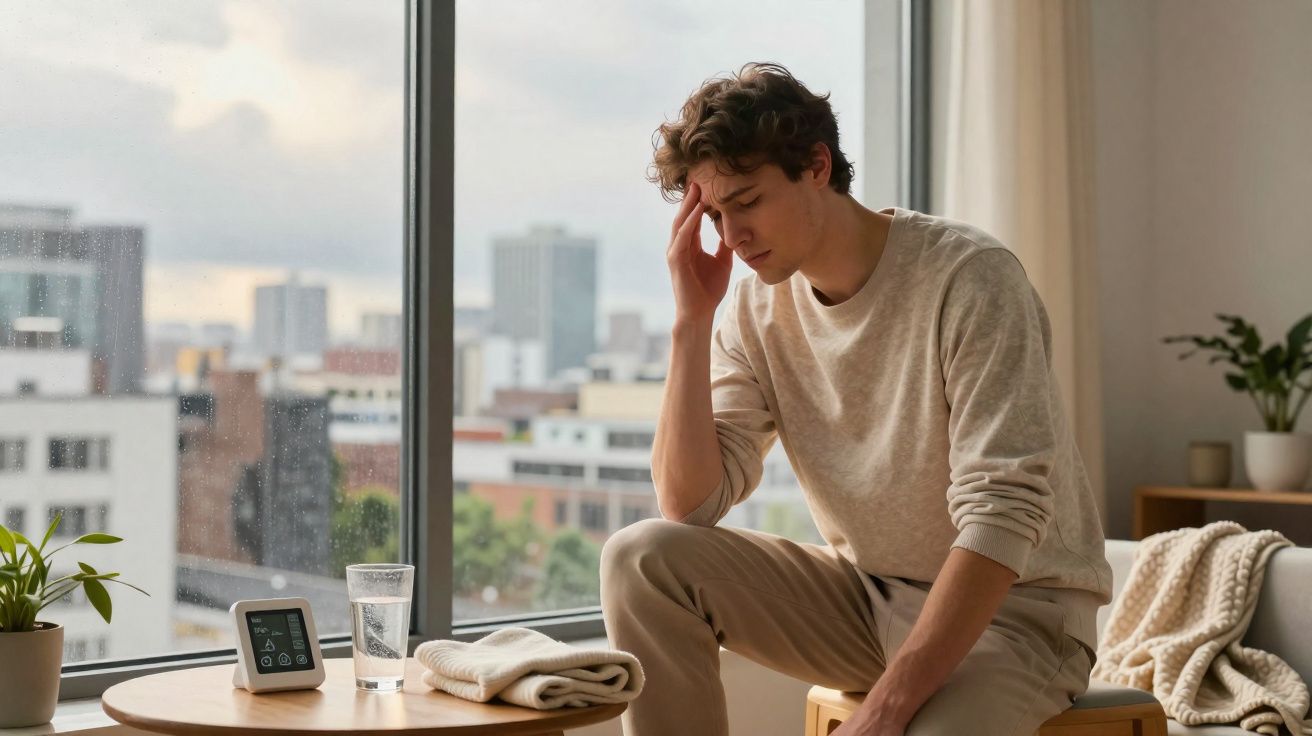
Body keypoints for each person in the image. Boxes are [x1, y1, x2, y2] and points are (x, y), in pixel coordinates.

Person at [598, 62, 1112, 736]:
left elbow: (1003, 514)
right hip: (867, 599)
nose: (731, 237)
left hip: (1016, 615)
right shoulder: (753, 306)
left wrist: (888, 707)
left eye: (746, 202)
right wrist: (691, 323)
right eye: (715, 213)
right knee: (643, 557)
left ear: (816, 166)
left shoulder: (970, 279)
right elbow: (691, 504)